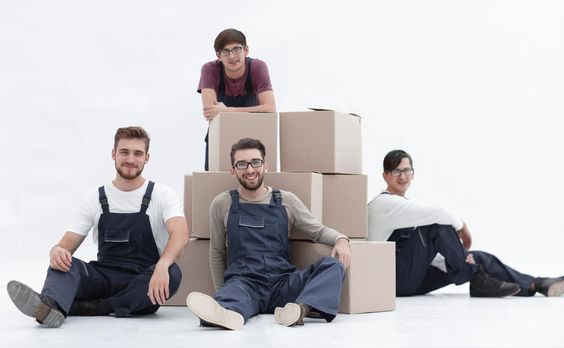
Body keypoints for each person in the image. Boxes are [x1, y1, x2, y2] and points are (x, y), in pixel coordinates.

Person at [7, 126, 189, 327]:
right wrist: (56, 252)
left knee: (173, 273)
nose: (130, 159)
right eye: (124, 152)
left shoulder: (162, 194)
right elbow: (64, 246)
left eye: (138, 153)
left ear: (147, 158)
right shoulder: (94, 199)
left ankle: (92, 307)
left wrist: (162, 266)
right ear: (113, 154)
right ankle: (50, 307)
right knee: (64, 265)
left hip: (142, 282)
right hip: (102, 278)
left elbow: (180, 234)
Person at [186, 138, 351, 330]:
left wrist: (341, 239)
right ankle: (227, 312)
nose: (249, 170)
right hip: (244, 284)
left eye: (255, 162)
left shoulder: (287, 200)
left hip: (283, 284)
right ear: (233, 170)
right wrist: (223, 293)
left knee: (332, 265)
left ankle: (300, 310)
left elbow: (318, 231)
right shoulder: (222, 203)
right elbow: (216, 252)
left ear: (265, 166)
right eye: (242, 164)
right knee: (229, 297)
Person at [367, 149, 564, 298]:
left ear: (413, 173)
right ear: (385, 175)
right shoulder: (383, 204)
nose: (402, 176)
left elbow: (425, 251)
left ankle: (538, 284)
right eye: (396, 171)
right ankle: (476, 278)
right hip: (393, 282)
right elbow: (441, 214)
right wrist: (462, 228)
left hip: (410, 280)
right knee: (437, 225)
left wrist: (461, 257)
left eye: (406, 170)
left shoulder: (404, 206)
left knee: (477, 257)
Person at [198, 28, 276, 170]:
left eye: (236, 49)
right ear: (218, 56)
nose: (231, 56)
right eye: (225, 51)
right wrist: (223, 112)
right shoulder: (210, 69)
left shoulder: (257, 67)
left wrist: (227, 111)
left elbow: (270, 108)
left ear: (246, 50)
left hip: (253, 136)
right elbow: (211, 112)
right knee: (215, 182)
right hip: (220, 136)